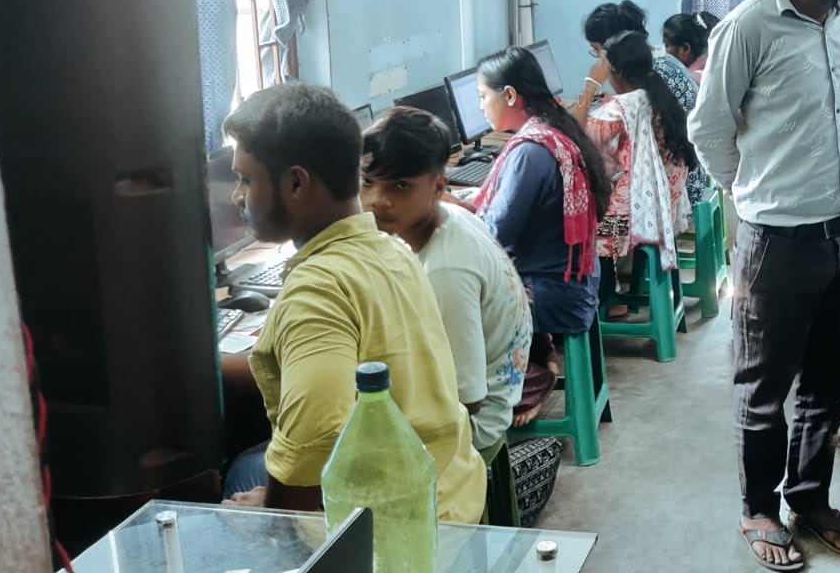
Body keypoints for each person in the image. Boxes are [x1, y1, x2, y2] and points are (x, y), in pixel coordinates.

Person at [688, 0, 840, 571]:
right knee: (764, 389)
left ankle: (809, 498)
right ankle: (759, 510)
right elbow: (709, 129)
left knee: (829, 384)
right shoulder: (748, 28)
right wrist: (752, 194)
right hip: (777, 242)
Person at [218, 83, 485, 523]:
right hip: (449, 488)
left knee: (239, 476)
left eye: (246, 179)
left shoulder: (317, 290)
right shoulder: (390, 249)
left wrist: (270, 513)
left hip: (393, 526)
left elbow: (317, 437)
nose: (237, 197)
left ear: (296, 183)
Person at [360, 107, 532, 461]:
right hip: (491, 397)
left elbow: (466, 400)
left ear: (438, 186)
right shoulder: (451, 216)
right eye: (367, 182)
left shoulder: (446, 270)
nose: (378, 200)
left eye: (401, 186)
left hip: (471, 430)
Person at [468, 46, 612, 427]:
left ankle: (527, 379)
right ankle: (539, 353)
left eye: (483, 96)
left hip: (552, 295)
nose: (480, 107)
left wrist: (447, 215)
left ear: (510, 95)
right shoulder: (553, 131)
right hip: (575, 282)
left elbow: (493, 234)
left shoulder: (530, 152)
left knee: (453, 302)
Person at [574, 30, 697, 271]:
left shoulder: (626, 104)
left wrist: (590, 87)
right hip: (662, 212)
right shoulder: (658, 95)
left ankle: (604, 292)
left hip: (627, 224)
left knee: (571, 228)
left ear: (616, 71)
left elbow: (577, 135)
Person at [580, 0, 705, 207]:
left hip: (673, 196)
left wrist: (590, 86)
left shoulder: (649, 75)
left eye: (597, 50)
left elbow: (578, 134)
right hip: (686, 183)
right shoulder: (660, 63)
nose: (597, 60)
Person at [663, 11, 721, 85]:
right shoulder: (715, 68)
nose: (665, 51)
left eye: (666, 45)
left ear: (685, 49)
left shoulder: (688, 82)